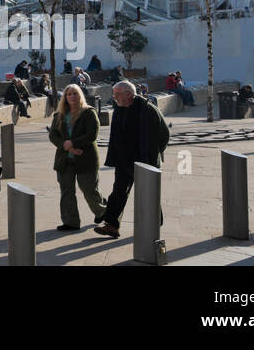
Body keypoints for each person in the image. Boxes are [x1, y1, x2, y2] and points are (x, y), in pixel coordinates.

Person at [94, 80, 169, 238]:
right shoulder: (119, 109)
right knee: (118, 193)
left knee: (149, 193)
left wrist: (155, 152)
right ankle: (112, 225)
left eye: (117, 94)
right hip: (124, 161)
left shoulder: (148, 109)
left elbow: (164, 134)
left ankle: (154, 224)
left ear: (129, 94)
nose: (114, 97)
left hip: (145, 160)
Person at [49, 84, 106, 231]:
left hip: (86, 159)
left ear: (80, 95)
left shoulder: (88, 113)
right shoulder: (59, 114)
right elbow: (53, 135)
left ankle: (103, 211)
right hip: (64, 160)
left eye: (75, 93)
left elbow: (92, 134)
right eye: (69, 94)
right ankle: (70, 222)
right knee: (67, 191)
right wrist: (66, 146)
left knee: (89, 189)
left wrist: (73, 143)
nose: (72, 96)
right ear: (65, 97)